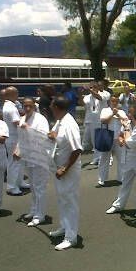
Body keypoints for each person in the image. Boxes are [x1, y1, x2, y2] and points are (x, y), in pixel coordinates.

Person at [48, 96, 82, 251]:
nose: (50, 109)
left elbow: (77, 149)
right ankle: (64, 227)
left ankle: (71, 237)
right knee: (62, 200)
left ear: (57, 108)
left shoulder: (69, 124)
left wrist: (65, 168)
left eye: (51, 106)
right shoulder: (60, 121)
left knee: (69, 202)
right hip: (59, 168)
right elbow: (56, 136)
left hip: (68, 170)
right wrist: (52, 136)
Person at [105, 105, 136, 217]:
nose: (129, 115)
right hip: (128, 157)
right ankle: (118, 205)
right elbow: (120, 135)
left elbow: (131, 143)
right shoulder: (126, 123)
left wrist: (126, 139)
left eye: (131, 113)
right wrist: (120, 139)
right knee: (125, 182)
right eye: (129, 112)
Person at [14, 97, 50, 227]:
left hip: (39, 157)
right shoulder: (22, 118)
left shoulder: (41, 119)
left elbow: (45, 137)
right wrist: (18, 149)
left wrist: (28, 128)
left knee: (40, 187)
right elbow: (21, 137)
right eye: (25, 106)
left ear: (34, 106)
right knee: (33, 186)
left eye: (30, 106)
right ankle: (34, 210)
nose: (28, 108)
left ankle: (40, 215)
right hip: (28, 157)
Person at [3, 86, 29, 195]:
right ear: (11, 94)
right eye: (16, 93)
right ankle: (12, 186)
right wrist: (28, 125)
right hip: (14, 137)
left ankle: (20, 182)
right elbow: (16, 122)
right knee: (14, 162)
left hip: (13, 137)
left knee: (19, 161)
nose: (17, 95)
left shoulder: (8, 106)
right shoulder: (11, 107)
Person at [97, 95, 128, 186]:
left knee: (121, 159)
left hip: (119, 137)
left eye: (116, 101)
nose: (114, 103)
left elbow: (126, 121)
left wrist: (118, 114)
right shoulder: (105, 110)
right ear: (109, 102)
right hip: (107, 137)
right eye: (112, 101)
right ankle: (101, 179)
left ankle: (121, 178)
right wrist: (112, 114)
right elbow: (103, 121)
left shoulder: (121, 111)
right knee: (104, 159)